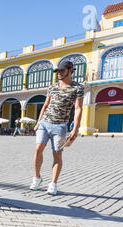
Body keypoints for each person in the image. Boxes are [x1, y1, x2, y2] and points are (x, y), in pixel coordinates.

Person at [31, 61, 84, 195]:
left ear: (70, 70)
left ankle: (53, 183)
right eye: (57, 71)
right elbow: (45, 105)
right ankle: (37, 178)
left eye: (61, 70)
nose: (59, 73)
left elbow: (78, 109)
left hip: (60, 126)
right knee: (38, 149)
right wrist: (38, 122)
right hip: (44, 123)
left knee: (57, 154)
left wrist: (75, 129)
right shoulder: (52, 87)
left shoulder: (77, 87)